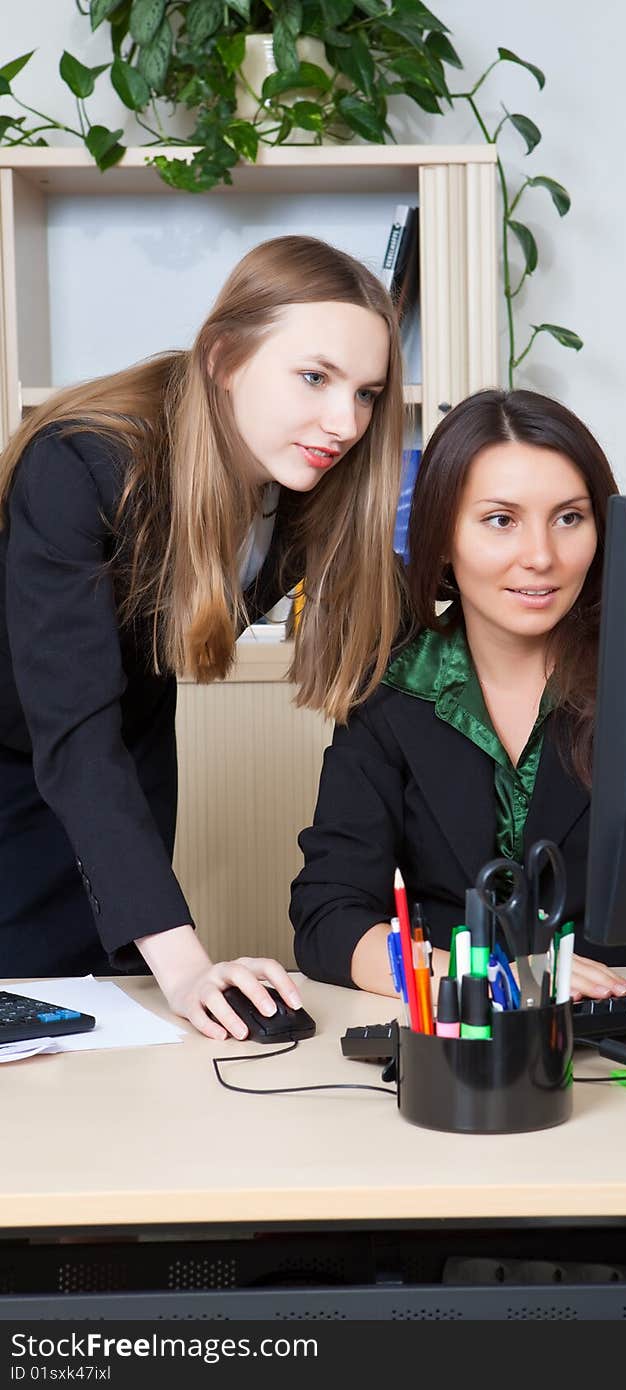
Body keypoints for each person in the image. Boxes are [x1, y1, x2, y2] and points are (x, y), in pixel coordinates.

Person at [0, 235, 405, 1040]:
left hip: (125, 741)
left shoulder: (305, 486)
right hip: (28, 747)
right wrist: (189, 964)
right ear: (223, 357)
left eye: (367, 393)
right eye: (315, 377)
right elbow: (73, 732)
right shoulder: (80, 462)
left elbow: (401, 615)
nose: (345, 421)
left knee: (114, 1012)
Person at [290, 388, 626, 997]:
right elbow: (329, 919)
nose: (541, 556)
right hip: (463, 1035)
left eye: (569, 518)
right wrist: (483, 975)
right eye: (501, 521)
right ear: (443, 538)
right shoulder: (392, 695)